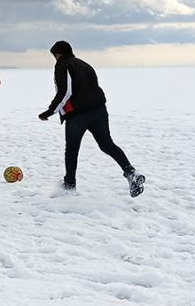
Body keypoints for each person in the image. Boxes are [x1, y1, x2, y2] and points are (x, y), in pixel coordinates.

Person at [38, 41, 145, 197]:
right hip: (99, 110)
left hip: (78, 115)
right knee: (107, 144)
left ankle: (69, 185)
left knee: (72, 150)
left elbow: (65, 92)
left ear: (58, 54)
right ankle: (131, 172)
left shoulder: (62, 65)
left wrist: (49, 111)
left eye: (54, 55)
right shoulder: (85, 65)